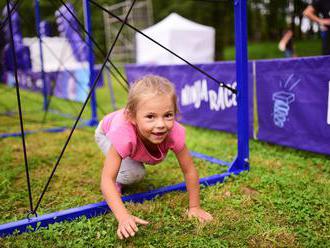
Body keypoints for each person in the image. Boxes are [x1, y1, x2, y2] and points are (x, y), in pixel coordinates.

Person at [95, 75, 213, 239]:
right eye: (150, 116)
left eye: (168, 115)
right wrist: (123, 217)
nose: (161, 124)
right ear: (132, 117)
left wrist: (195, 207)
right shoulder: (123, 135)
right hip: (106, 132)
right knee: (134, 173)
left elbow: (189, 170)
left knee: (134, 157)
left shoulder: (174, 133)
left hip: (130, 133)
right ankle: (120, 180)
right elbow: (106, 179)